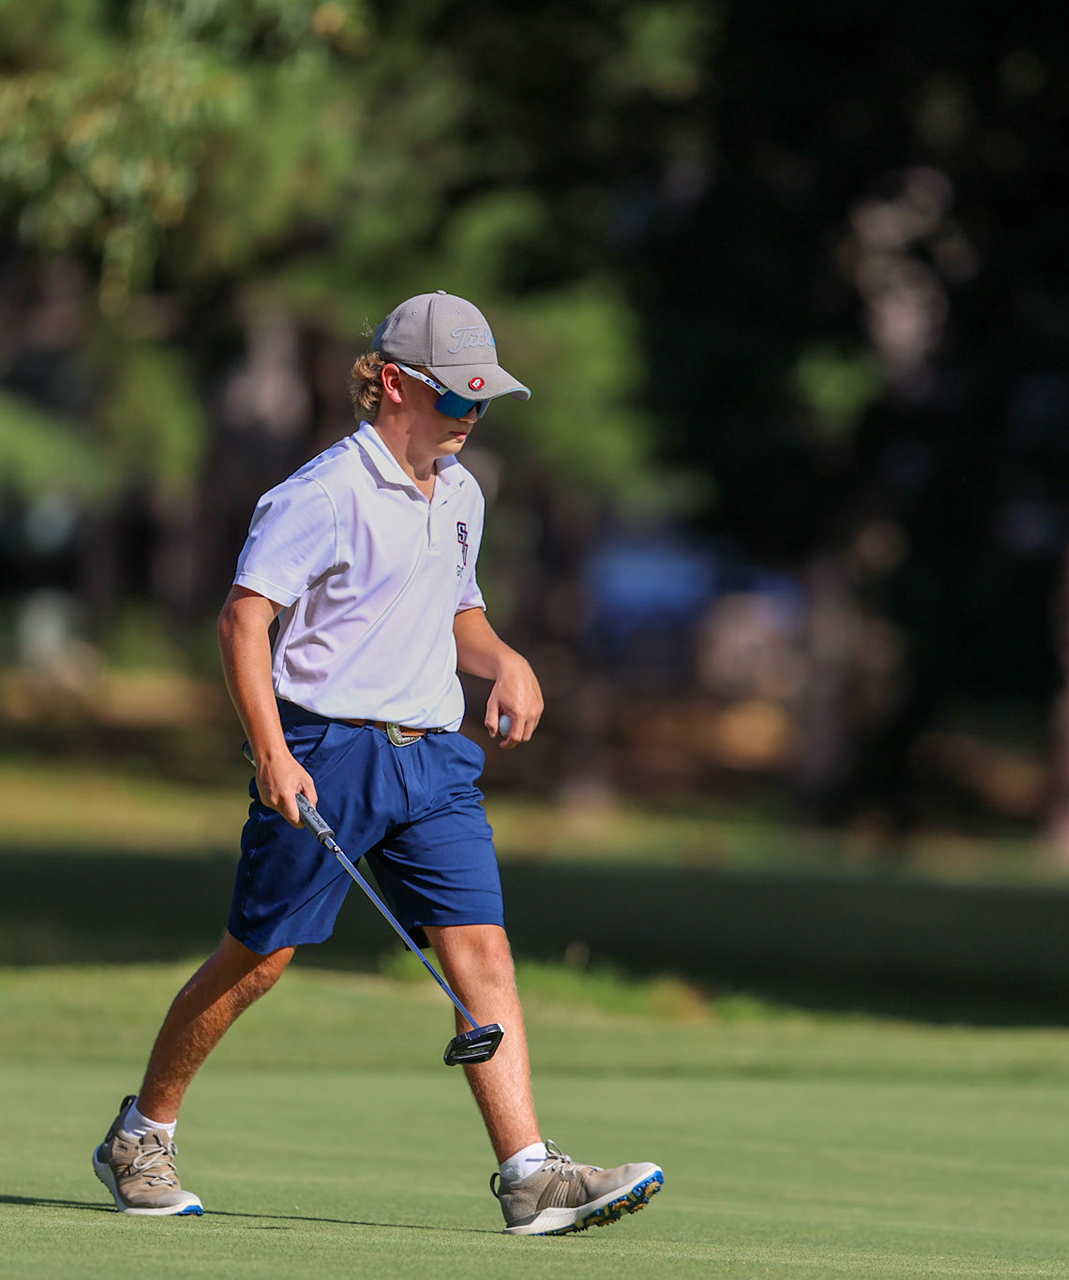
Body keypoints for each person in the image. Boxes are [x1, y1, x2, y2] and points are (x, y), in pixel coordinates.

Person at [91, 291, 664, 1235]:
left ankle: (529, 1175)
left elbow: (455, 611)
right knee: (261, 958)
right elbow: (244, 619)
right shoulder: (322, 492)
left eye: (483, 404)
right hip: (327, 749)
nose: (470, 422)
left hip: (435, 758)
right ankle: (141, 1134)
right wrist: (272, 752)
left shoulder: (465, 492)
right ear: (393, 384)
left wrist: (507, 658)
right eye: (456, 402)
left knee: (483, 952)